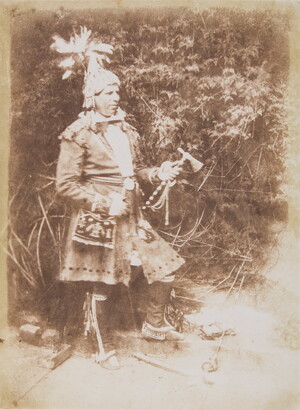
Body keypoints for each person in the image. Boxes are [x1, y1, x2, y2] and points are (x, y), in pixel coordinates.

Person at [53, 29, 185, 370]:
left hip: (133, 217)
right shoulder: (77, 133)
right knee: (104, 286)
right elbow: (65, 186)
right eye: (107, 92)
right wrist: (102, 203)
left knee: (164, 266)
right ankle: (104, 350)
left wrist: (158, 173)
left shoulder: (126, 130)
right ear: (91, 96)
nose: (114, 97)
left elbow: (136, 170)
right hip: (100, 221)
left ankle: (155, 325)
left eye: (117, 91)